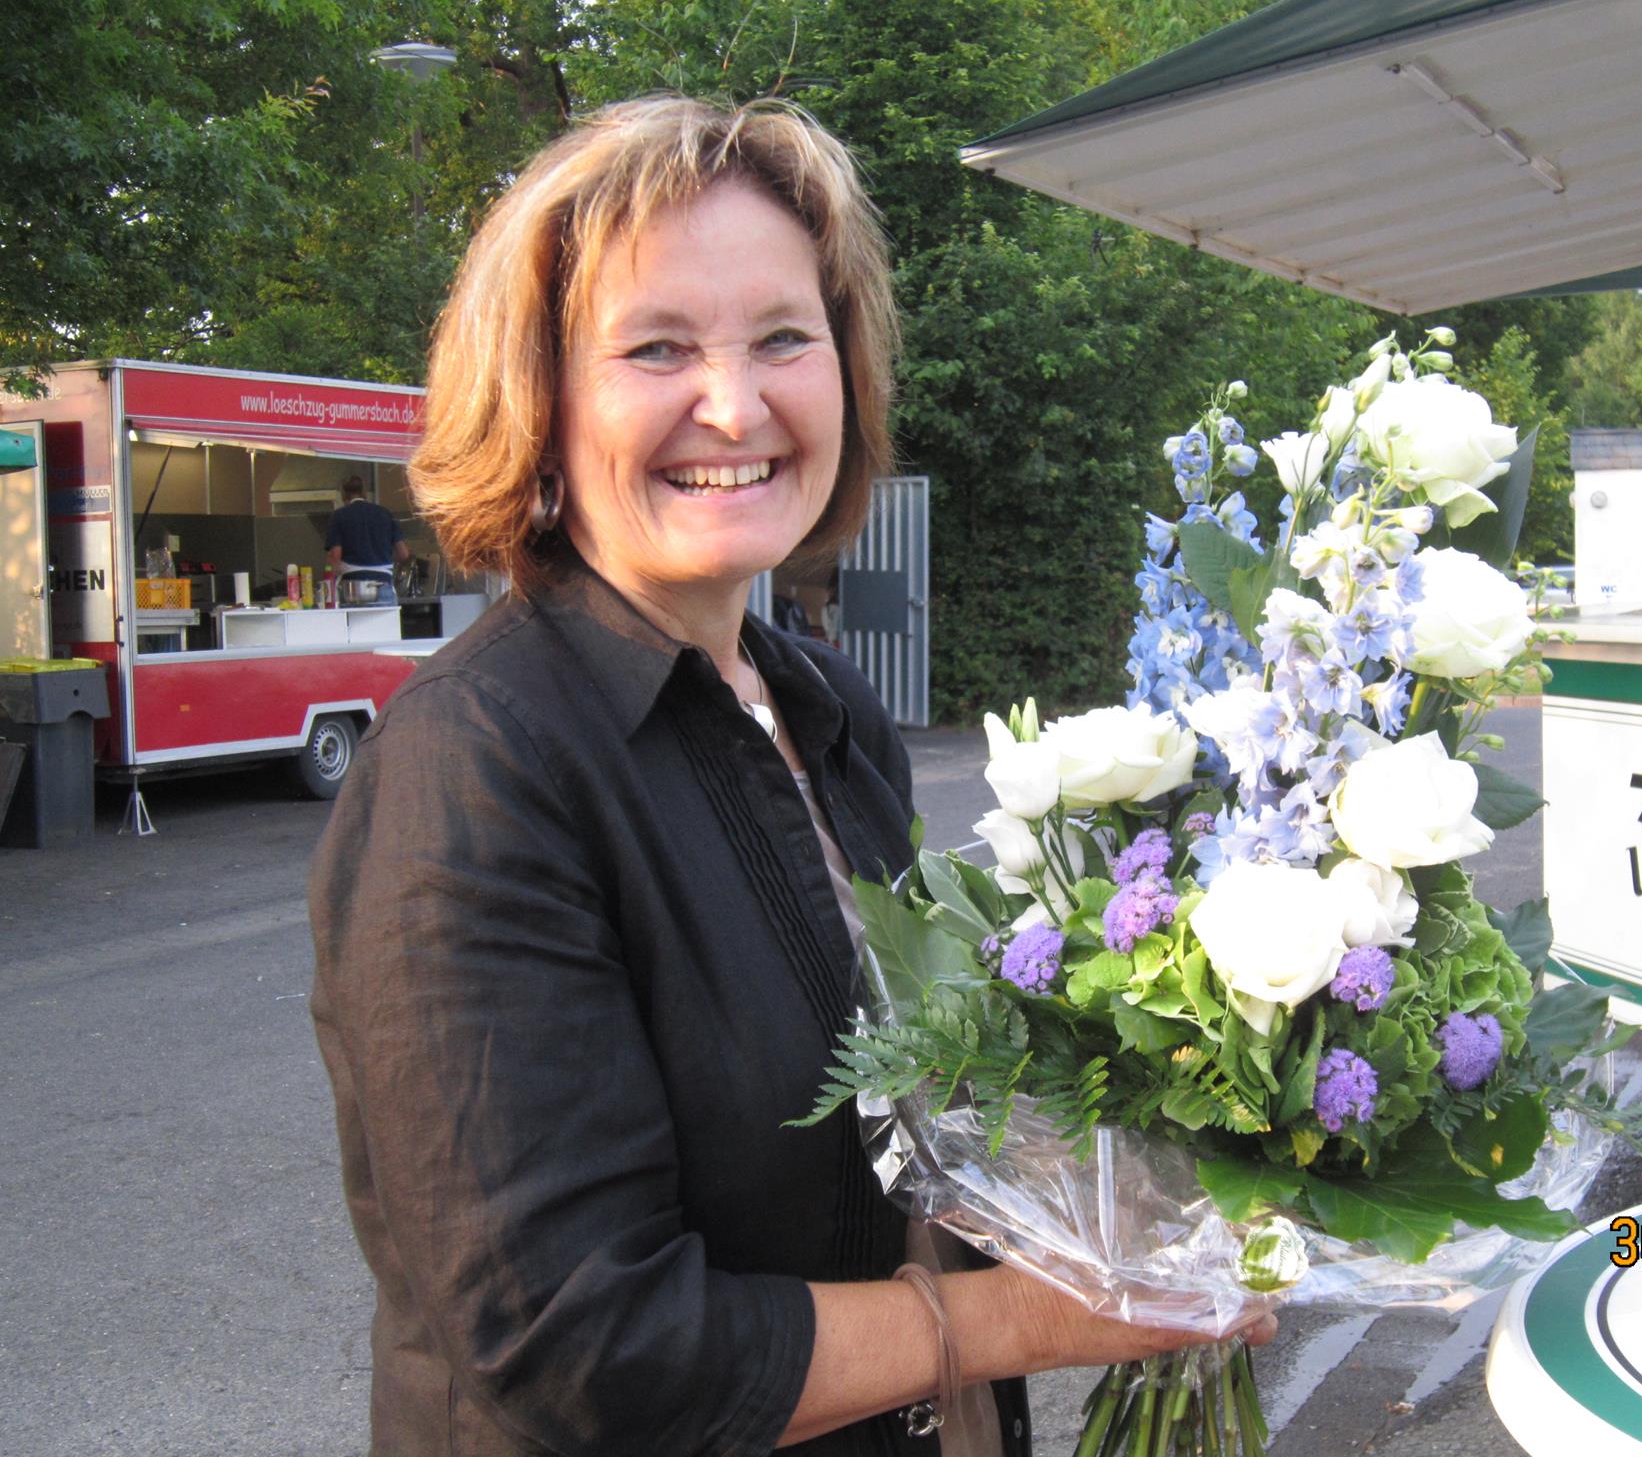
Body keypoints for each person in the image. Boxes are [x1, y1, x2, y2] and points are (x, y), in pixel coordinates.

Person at [307, 96, 1270, 1457]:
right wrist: (1043, 1318)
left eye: (782, 338)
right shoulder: (473, 772)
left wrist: (1186, 1143)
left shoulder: (824, 705)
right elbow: (580, 1344)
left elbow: (912, 1123)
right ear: (541, 399)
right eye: (655, 347)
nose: (734, 403)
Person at [325, 474, 411, 603]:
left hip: (352, 587)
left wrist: (328, 581)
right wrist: (382, 557)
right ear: (364, 492)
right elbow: (404, 554)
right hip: (383, 583)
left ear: (343, 494)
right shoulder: (385, 514)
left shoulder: (339, 516)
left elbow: (335, 556)